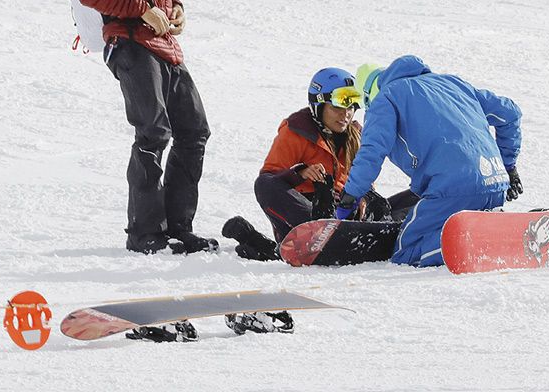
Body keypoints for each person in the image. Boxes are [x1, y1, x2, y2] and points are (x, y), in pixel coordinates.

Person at [74, 0, 216, 255]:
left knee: (194, 131)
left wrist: (175, 6)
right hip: (131, 45)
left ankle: (178, 228)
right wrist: (141, 10)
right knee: (153, 133)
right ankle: (144, 233)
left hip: (164, 45)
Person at [338, 55, 523, 267]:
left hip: (451, 188)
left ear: (368, 95)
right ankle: (507, 234)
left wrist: (350, 195)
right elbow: (510, 113)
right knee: (448, 228)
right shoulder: (454, 84)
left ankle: (488, 242)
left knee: (406, 252)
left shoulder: (386, 99)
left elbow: (372, 151)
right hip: (495, 182)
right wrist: (509, 168)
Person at [221, 67, 418, 260]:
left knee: (422, 193)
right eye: (337, 107)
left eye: (350, 107)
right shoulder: (295, 132)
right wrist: (300, 173)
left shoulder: (356, 135)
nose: (346, 114)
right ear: (319, 105)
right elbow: (270, 179)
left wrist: (364, 199)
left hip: (349, 218)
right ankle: (320, 233)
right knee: (264, 184)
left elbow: (364, 181)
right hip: (306, 214)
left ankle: (396, 229)